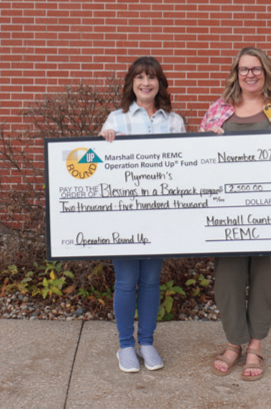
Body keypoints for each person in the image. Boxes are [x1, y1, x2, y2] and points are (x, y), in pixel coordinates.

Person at [199, 46, 271, 381]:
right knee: (228, 280)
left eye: (257, 69)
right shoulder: (219, 110)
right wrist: (208, 140)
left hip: (270, 214)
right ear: (236, 73)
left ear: (266, 73)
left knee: (264, 280)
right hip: (225, 213)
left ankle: (255, 346)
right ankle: (233, 342)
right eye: (244, 69)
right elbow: (194, 155)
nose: (250, 74)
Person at [99, 56, 186, 373]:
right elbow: (100, 169)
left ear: (160, 83)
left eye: (152, 77)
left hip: (160, 216)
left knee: (151, 282)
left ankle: (146, 342)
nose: (146, 83)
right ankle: (125, 346)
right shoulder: (116, 119)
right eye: (139, 78)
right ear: (131, 83)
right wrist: (104, 141)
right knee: (125, 282)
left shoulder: (173, 122)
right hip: (123, 216)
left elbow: (186, 165)